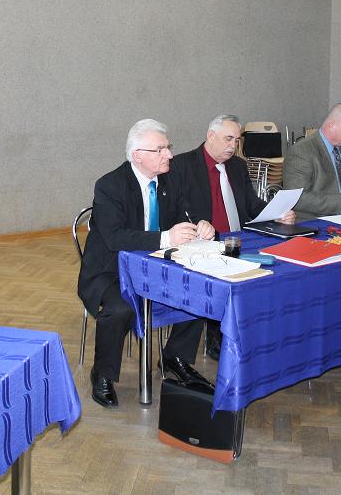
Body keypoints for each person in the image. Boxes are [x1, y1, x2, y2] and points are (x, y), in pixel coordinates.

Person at [78, 119, 217, 409]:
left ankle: (174, 358)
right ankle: (102, 373)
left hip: (156, 267)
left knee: (199, 288)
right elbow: (115, 238)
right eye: (160, 149)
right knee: (121, 308)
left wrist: (200, 225)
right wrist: (166, 237)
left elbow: (186, 215)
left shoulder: (171, 179)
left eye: (168, 147)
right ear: (137, 155)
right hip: (112, 270)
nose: (169, 154)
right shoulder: (110, 185)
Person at [170, 114, 295, 359]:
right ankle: (216, 337)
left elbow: (252, 205)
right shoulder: (182, 165)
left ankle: (257, 335)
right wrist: (198, 227)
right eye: (228, 139)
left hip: (240, 241)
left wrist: (276, 213)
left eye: (237, 140)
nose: (233, 146)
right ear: (210, 136)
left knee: (279, 269)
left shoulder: (237, 166)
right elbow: (177, 211)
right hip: (204, 244)